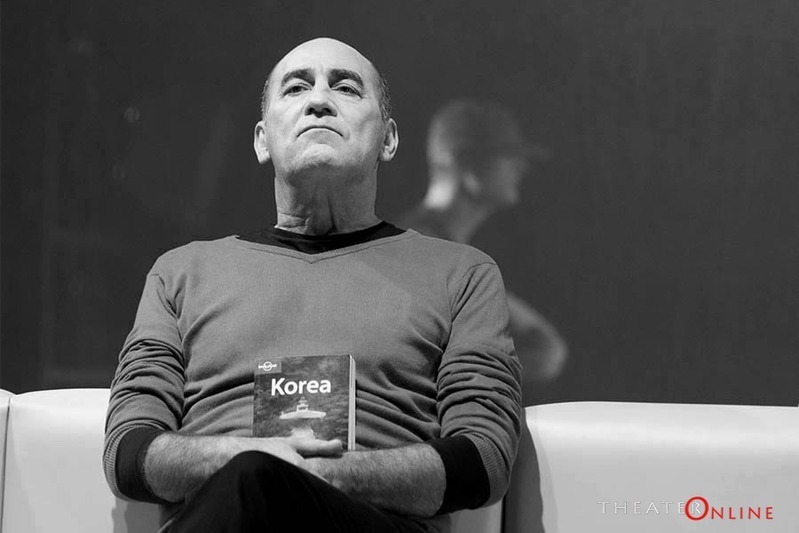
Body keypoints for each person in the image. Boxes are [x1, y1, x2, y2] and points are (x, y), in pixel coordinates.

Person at [103, 38, 522, 533]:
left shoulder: (462, 273)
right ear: (262, 141)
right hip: (222, 514)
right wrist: (240, 460)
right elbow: (127, 453)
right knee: (251, 481)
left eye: (346, 88)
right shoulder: (180, 273)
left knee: (257, 481)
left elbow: (484, 460)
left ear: (388, 140)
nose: (319, 99)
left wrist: (309, 474)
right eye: (296, 88)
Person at [401, 99, 568, 399]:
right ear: (464, 162)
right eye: (507, 155)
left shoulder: (440, 248)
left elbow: (546, 347)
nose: (521, 167)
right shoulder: (420, 249)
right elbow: (544, 347)